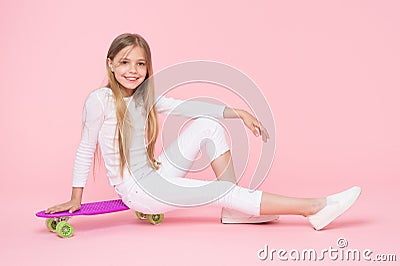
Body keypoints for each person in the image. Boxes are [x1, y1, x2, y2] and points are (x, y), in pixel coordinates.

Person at [46, 33, 361, 230]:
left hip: (154, 174)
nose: (133, 70)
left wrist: (237, 112)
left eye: (140, 64)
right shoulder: (99, 101)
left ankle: (236, 209)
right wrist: (76, 198)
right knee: (217, 190)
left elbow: (186, 106)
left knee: (208, 126)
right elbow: (86, 148)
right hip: (140, 191)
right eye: (125, 62)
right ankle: (314, 208)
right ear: (110, 64)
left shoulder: (145, 97)